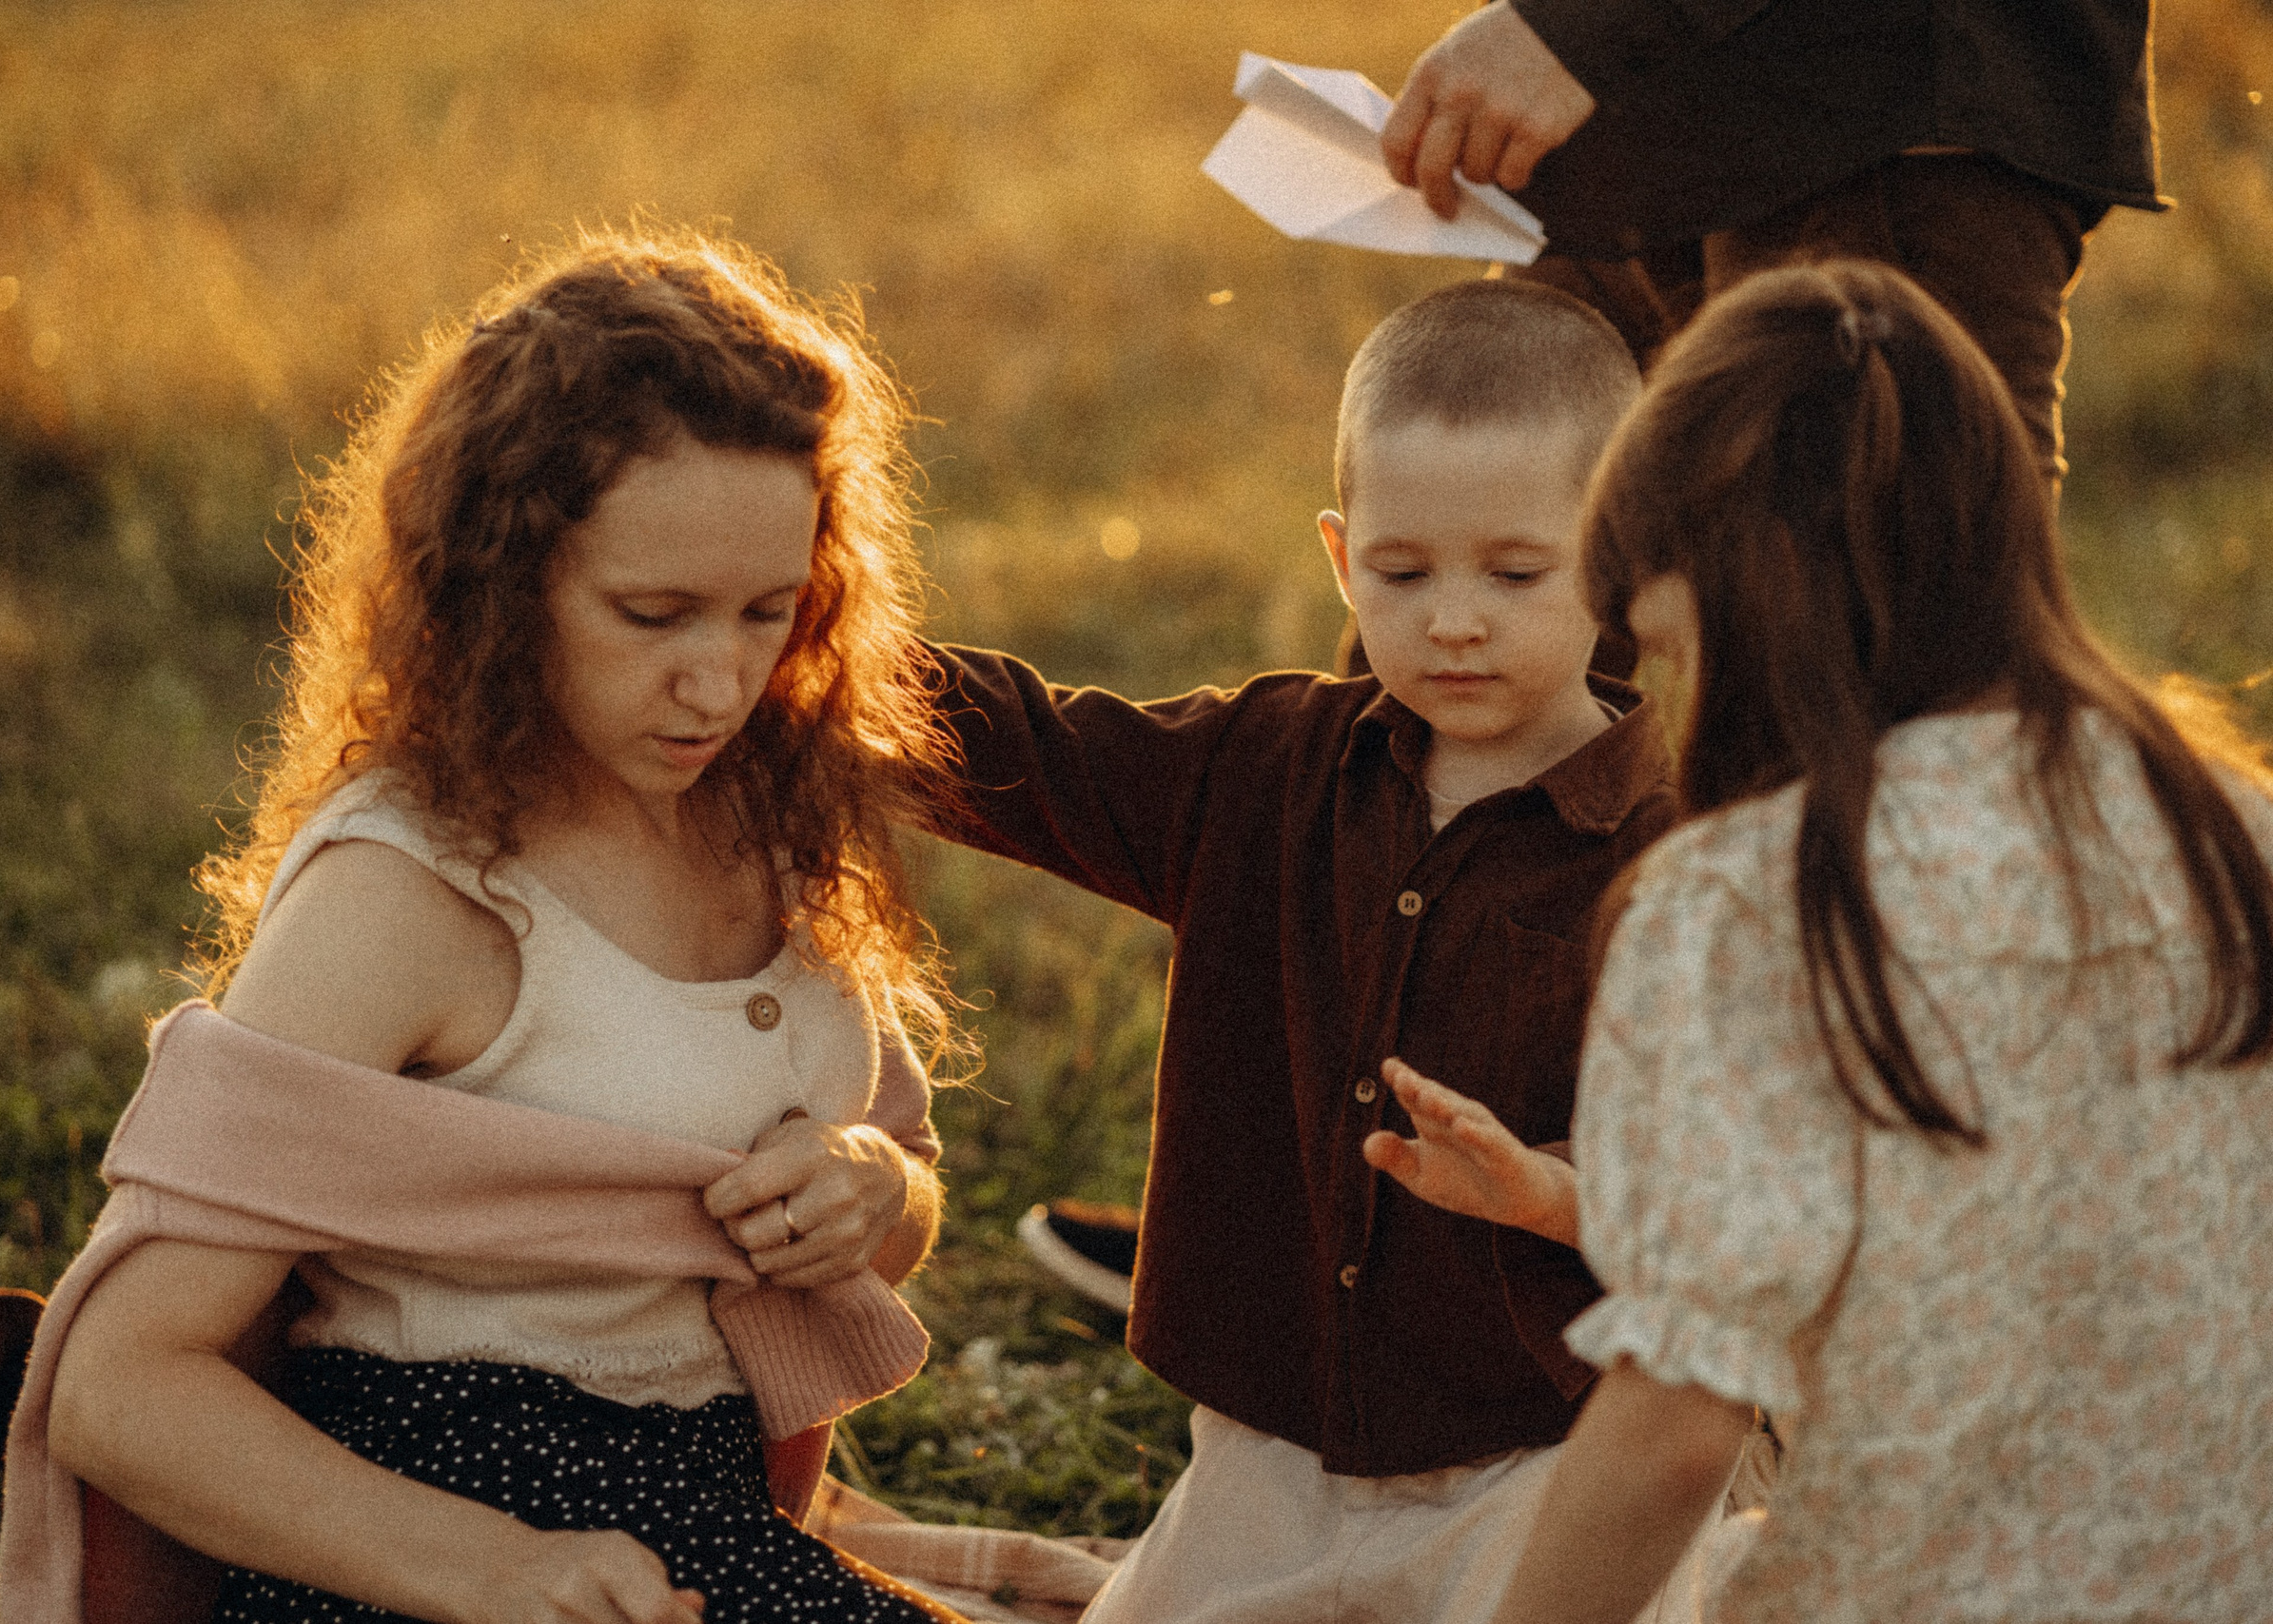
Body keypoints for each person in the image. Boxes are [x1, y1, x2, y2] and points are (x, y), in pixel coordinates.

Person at [36, 230, 964, 1624]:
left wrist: (872, 1190)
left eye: (770, 609)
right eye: (651, 613)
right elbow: (120, 1384)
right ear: (503, 575)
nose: (718, 678)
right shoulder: (409, 891)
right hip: (423, 1530)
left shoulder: (772, 818)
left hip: (703, 1512)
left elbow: (891, 1196)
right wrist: (492, 1567)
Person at [1371, 259, 2273, 1622]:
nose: (1669, 710)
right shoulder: (2231, 824)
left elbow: (1674, 1428)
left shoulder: (1748, 899)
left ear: (1759, 608)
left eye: (1672, 654)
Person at [925, 280, 1718, 1622]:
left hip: (1540, 1454)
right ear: (1344, 561)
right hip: (1274, 1445)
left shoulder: (1683, 847)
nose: (1453, 617)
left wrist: (1543, 1186)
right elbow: (1043, 749)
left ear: (1621, 557)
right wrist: (808, 653)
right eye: (1405, 573)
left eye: (1514, 572)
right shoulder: (1273, 762)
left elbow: (1722, 1186)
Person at [1379, 0, 2159, 484]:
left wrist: (1579, 23)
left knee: (1875, 690)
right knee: (1448, 664)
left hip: (1877, 133)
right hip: (1622, 145)